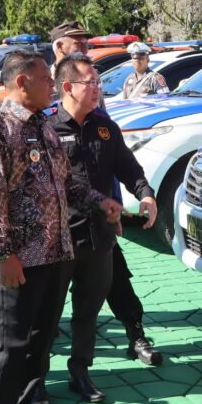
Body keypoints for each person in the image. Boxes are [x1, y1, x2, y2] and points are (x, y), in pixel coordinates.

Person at [0, 49, 121, 404]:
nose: (52, 86)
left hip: (55, 253)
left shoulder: (43, 127)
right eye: (44, 79)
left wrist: (100, 201)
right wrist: (4, 252)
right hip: (15, 260)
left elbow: (66, 184)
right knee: (10, 344)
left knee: (39, 340)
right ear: (21, 82)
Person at [49, 21, 164, 380]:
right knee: (46, 311)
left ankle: (126, 341)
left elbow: (125, 164)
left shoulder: (102, 122)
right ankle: (34, 385)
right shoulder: (47, 125)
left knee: (103, 293)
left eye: (99, 82)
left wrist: (144, 192)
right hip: (57, 235)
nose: (98, 87)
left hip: (102, 228)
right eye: (92, 83)